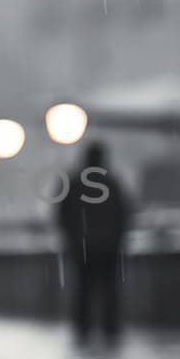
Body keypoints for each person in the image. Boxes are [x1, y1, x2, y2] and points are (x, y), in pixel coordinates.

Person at [56, 141, 130, 342]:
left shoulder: (74, 185)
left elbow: (61, 216)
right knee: (108, 293)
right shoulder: (112, 185)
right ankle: (109, 331)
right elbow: (124, 215)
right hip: (107, 249)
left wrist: (72, 240)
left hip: (84, 249)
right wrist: (117, 240)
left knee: (84, 292)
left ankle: (83, 330)